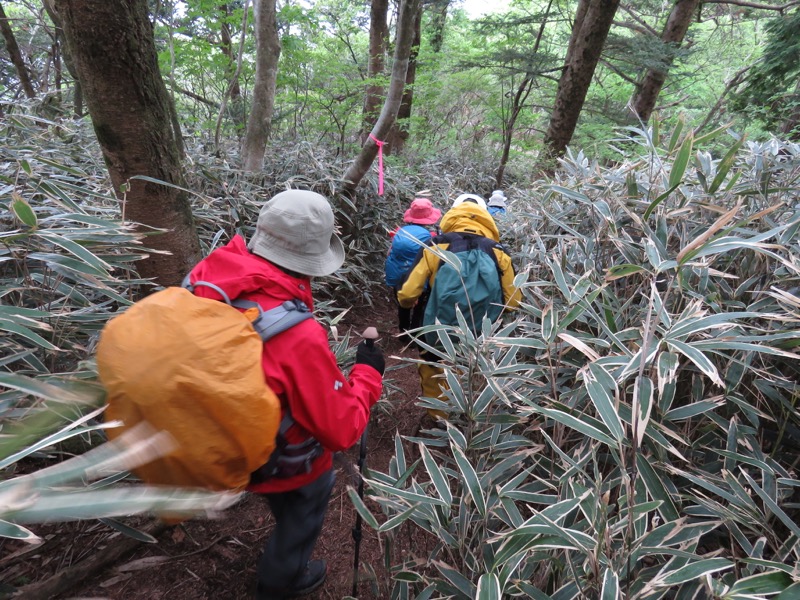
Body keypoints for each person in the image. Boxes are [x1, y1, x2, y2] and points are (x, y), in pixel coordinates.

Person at [186, 190, 385, 600]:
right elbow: (342, 428)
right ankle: (281, 581)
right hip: (285, 461)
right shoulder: (295, 334)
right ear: (311, 259)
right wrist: (367, 373)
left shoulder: (207, 278)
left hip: (220, 434)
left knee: (281, 496)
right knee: (303, 513)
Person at [396, 199, 520, 419]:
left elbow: (407, 294)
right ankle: (467, 421)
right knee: (470, 374)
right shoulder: (500, 252)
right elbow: (512, 303)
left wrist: (407, 308)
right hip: (481, 336)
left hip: (436, 331)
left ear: (452, 217)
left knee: (433, 373)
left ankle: (439, 422)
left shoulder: (436, 246)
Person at [384, 197, 442, 341]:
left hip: (397, 273)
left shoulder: (399, 231)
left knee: (403, 304)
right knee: (420, 305)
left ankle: (403, 334)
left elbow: (389, 252)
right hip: (418, 275)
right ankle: (416, 335)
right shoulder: (430, 236)